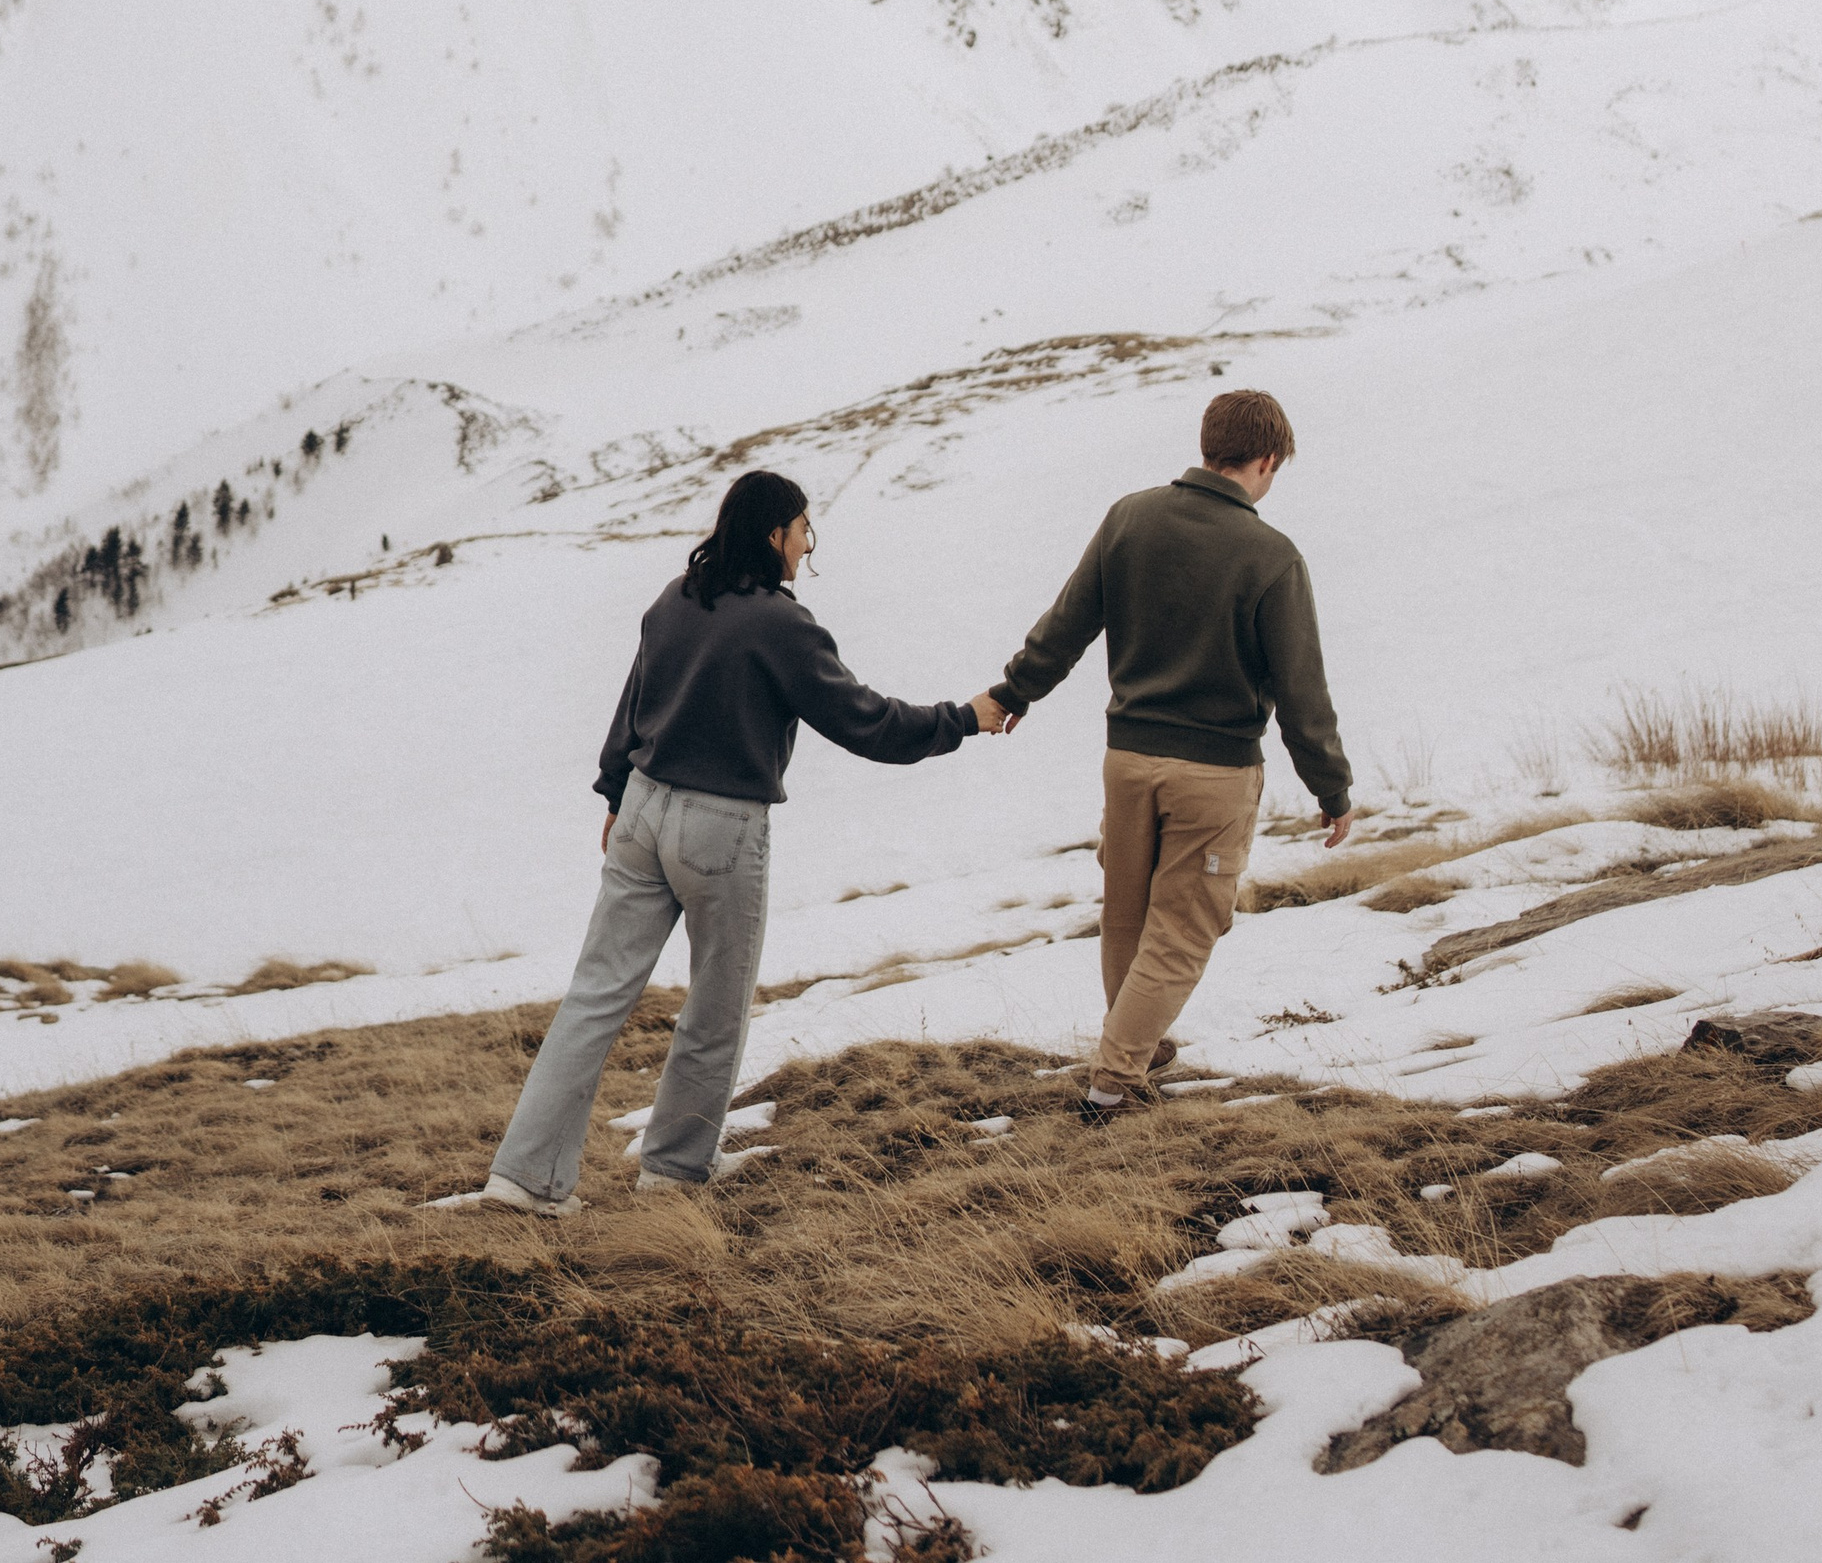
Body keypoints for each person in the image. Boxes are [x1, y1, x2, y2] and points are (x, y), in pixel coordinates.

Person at [483, 468, 1010, 1215]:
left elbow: (632, 705)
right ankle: (673, 1168)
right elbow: (868, 723)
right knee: (715, 1004)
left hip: (640, 809)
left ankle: (523, 1179)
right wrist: (964, 717)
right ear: (775, 536)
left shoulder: (676, 597)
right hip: (719, 827)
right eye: (803, 531)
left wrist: (614, 793)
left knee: (595, 997)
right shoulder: (780, 624)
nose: (805, 547)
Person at [991, 386, 1353, 1119]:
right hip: (1214, 774)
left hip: (1127, 761)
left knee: (1127, 914)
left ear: (1207, 447)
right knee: (1184, 929)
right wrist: (1331, 788)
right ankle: (1111, 1087)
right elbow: (1300, 688)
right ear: (1268, 459)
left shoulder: (1130, 517)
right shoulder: (1272, 556)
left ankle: (1141, 1049)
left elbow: (1067, 623)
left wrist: (1016, 691)